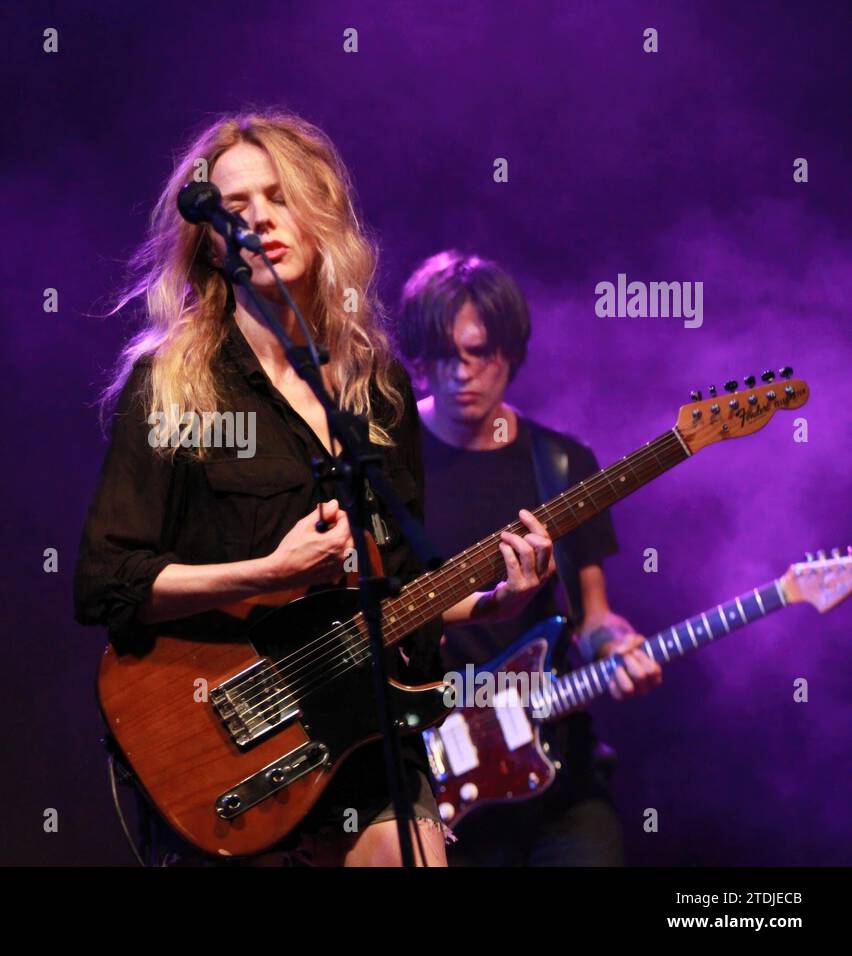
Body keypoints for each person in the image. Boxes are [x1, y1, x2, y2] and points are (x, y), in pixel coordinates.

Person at [73, 114, 555, 866]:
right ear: (208, 237)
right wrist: (273, 572)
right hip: (231, 732)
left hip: (365, 725)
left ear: (319, 210)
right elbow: (108, 583)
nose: (261, 218)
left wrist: (498, 602)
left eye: (280, 196)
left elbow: (402, 583)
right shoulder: (171, 386)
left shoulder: (379, 385)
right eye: (235, 207)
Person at [396, 250, 662, 866]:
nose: (462, 372)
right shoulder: (386, 461)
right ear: (417, 358)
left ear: (510, 354)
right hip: (425, 770)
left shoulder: (563, 466)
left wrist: (617, 649)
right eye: (444, 353)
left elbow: (594, 617)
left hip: (549, 762)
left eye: (480, 352)